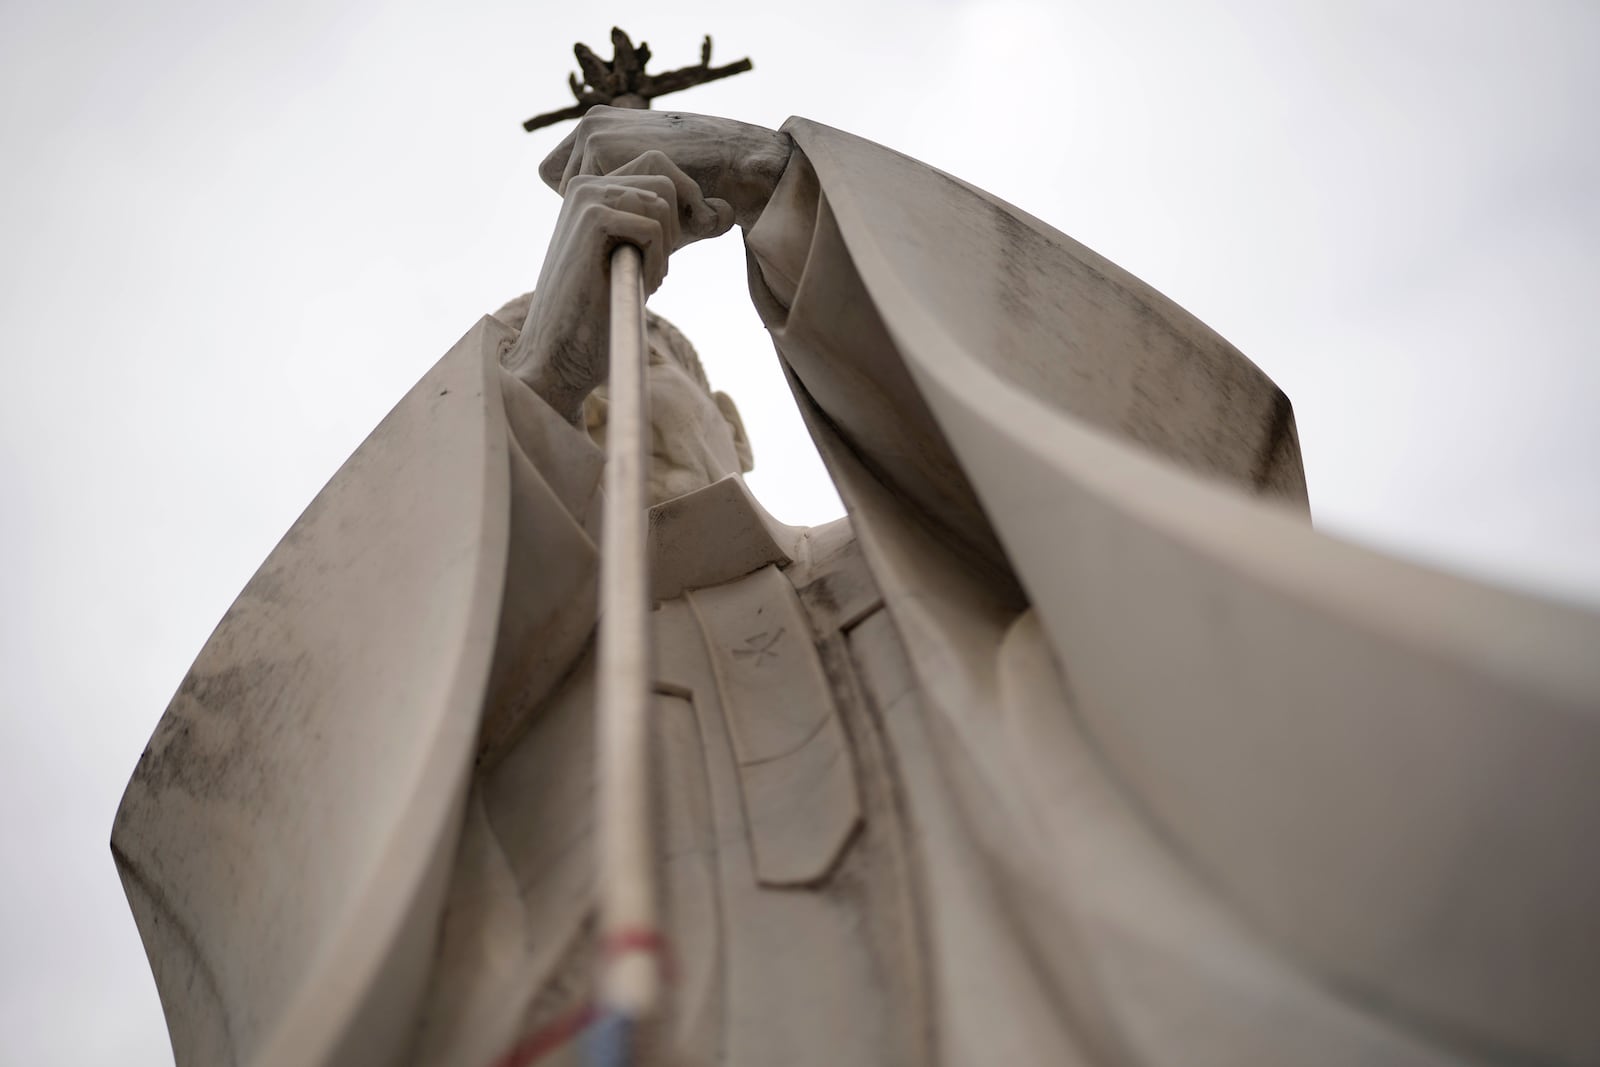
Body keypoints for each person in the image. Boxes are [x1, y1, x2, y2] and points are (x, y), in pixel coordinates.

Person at [114, 108, 1600, 1067]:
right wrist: (542, 361)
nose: (602, 406)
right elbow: (271, 821)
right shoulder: (472, 719)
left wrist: (780, 192)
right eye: (561, 395)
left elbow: (1173, 497)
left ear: (739, 417)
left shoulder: (938, 588)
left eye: (648, 368)